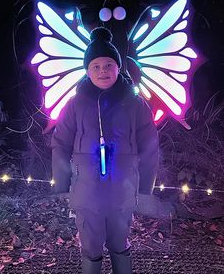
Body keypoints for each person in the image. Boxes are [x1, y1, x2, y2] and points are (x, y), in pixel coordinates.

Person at [51, 26, 159, 274]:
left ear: (118, 67)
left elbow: (150, 146)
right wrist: (61, 184)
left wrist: (145, 189)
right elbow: (61, 143)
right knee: (91, 246)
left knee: (119, 243)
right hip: (86, 193)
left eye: (109, 64)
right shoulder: (75, 103)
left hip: (123, 191)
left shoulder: (135, 103)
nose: (103, 71)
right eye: (96, 66)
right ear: (87, 70)